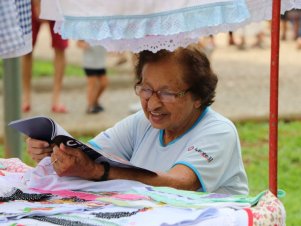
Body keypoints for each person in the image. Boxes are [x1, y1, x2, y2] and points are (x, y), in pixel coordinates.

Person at [26, 47, 249, 195]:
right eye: (146, 89)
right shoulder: (142, 123)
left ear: (198, 97)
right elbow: (88, 154)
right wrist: (53, 151)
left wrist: (97, 171)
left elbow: (181, 183)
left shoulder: (219, 131)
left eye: (167, 93)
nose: (152, 104)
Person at [22, 0, 68, 113]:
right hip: (30, 3)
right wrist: (37, 4)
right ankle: (25, 97)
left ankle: (56, 99)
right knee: (26, 49)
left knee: (60, 48)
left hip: (58, 4)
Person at [77, 41, 108, 113]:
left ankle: (95, 101)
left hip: (100, 63)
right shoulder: (86, 32)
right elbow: (79, 43)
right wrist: (85, 45)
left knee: (104, 83)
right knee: (92, 85)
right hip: (90, 63)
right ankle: (90, 106)